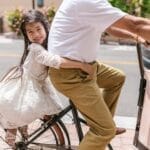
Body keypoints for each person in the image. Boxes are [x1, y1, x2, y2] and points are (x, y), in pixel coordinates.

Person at [48, 0, 150, 150]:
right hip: (69, 74)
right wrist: (138, 32)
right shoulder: (87, 2)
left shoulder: (93, 3)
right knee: (105, 131)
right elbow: (136, 25)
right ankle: (102, 128)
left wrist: (138, 38)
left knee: (116, 78)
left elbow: (111, 28)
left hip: (86, 67)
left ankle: (100, 122)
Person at [0, 10, 94, 149]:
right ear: (26, 35)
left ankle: (20, 129)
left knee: (33, 111)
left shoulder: (49, 44)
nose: (36, 34)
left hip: (39, 84)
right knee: (19, 110)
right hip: (27, 85)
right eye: (30, 32)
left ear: (45, 27)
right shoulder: (35, 48)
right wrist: (81, 65)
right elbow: (54, 60)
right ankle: (12, 133)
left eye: (38, 29)